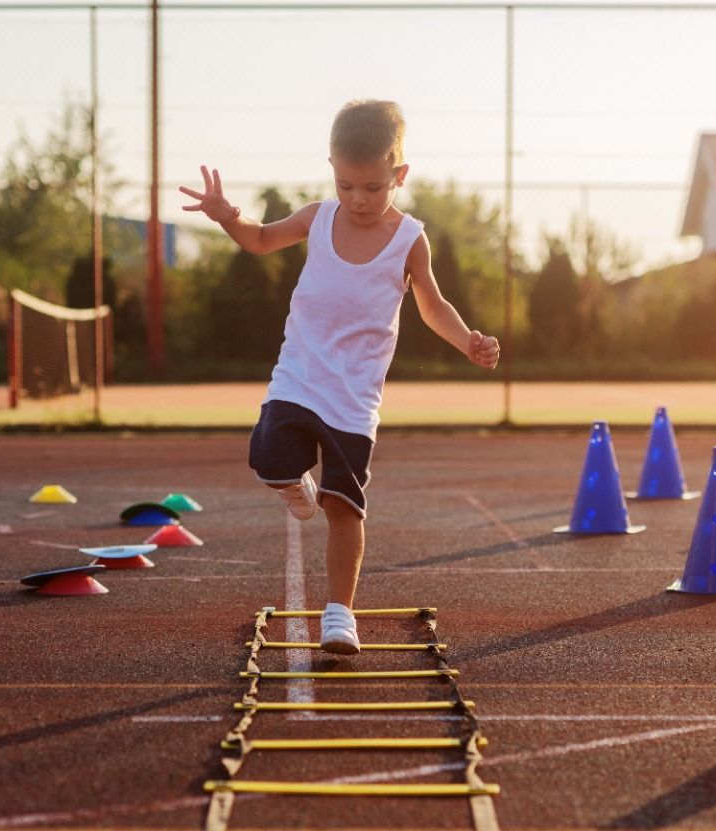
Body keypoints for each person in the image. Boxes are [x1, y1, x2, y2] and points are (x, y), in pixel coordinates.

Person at [180, 99, 500, 655]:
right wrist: (227, 215)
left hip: (354, 399)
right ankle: (294, 488)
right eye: (346, 184)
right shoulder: (317, 218)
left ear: (399, 175)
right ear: (332, 167)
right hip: (299, 377)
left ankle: (339, 614)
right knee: (268, 458)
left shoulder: (410, 240)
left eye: (373, 188)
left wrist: (467, 339)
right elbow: (259, 240)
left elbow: (432, 305)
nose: (358, 199)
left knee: (344, 507)